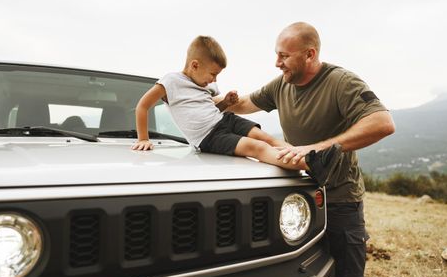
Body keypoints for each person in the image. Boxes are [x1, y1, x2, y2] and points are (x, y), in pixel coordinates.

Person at [223, 22, 395, 277]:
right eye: (277, 55)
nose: (277, 63)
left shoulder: (341, 81)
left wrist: (314, 149)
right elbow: (243, 104)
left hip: (340, 201)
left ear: (310, 54)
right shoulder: (281, 84)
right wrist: (211, 99)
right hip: (299, 197)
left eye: (283, 56)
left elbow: (382, 123)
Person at [131, 35, 341, 181]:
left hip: (224, 120)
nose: (214, 80)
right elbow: (142, 106)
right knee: (255, 148)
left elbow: (211, 110)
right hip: (208, 137)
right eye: (213, 74)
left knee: (265, 137)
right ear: (195, 65)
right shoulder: (171, 82)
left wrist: (225, 104)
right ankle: (311, 165)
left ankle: (308, 157)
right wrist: (143, 138)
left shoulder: (206, 86)